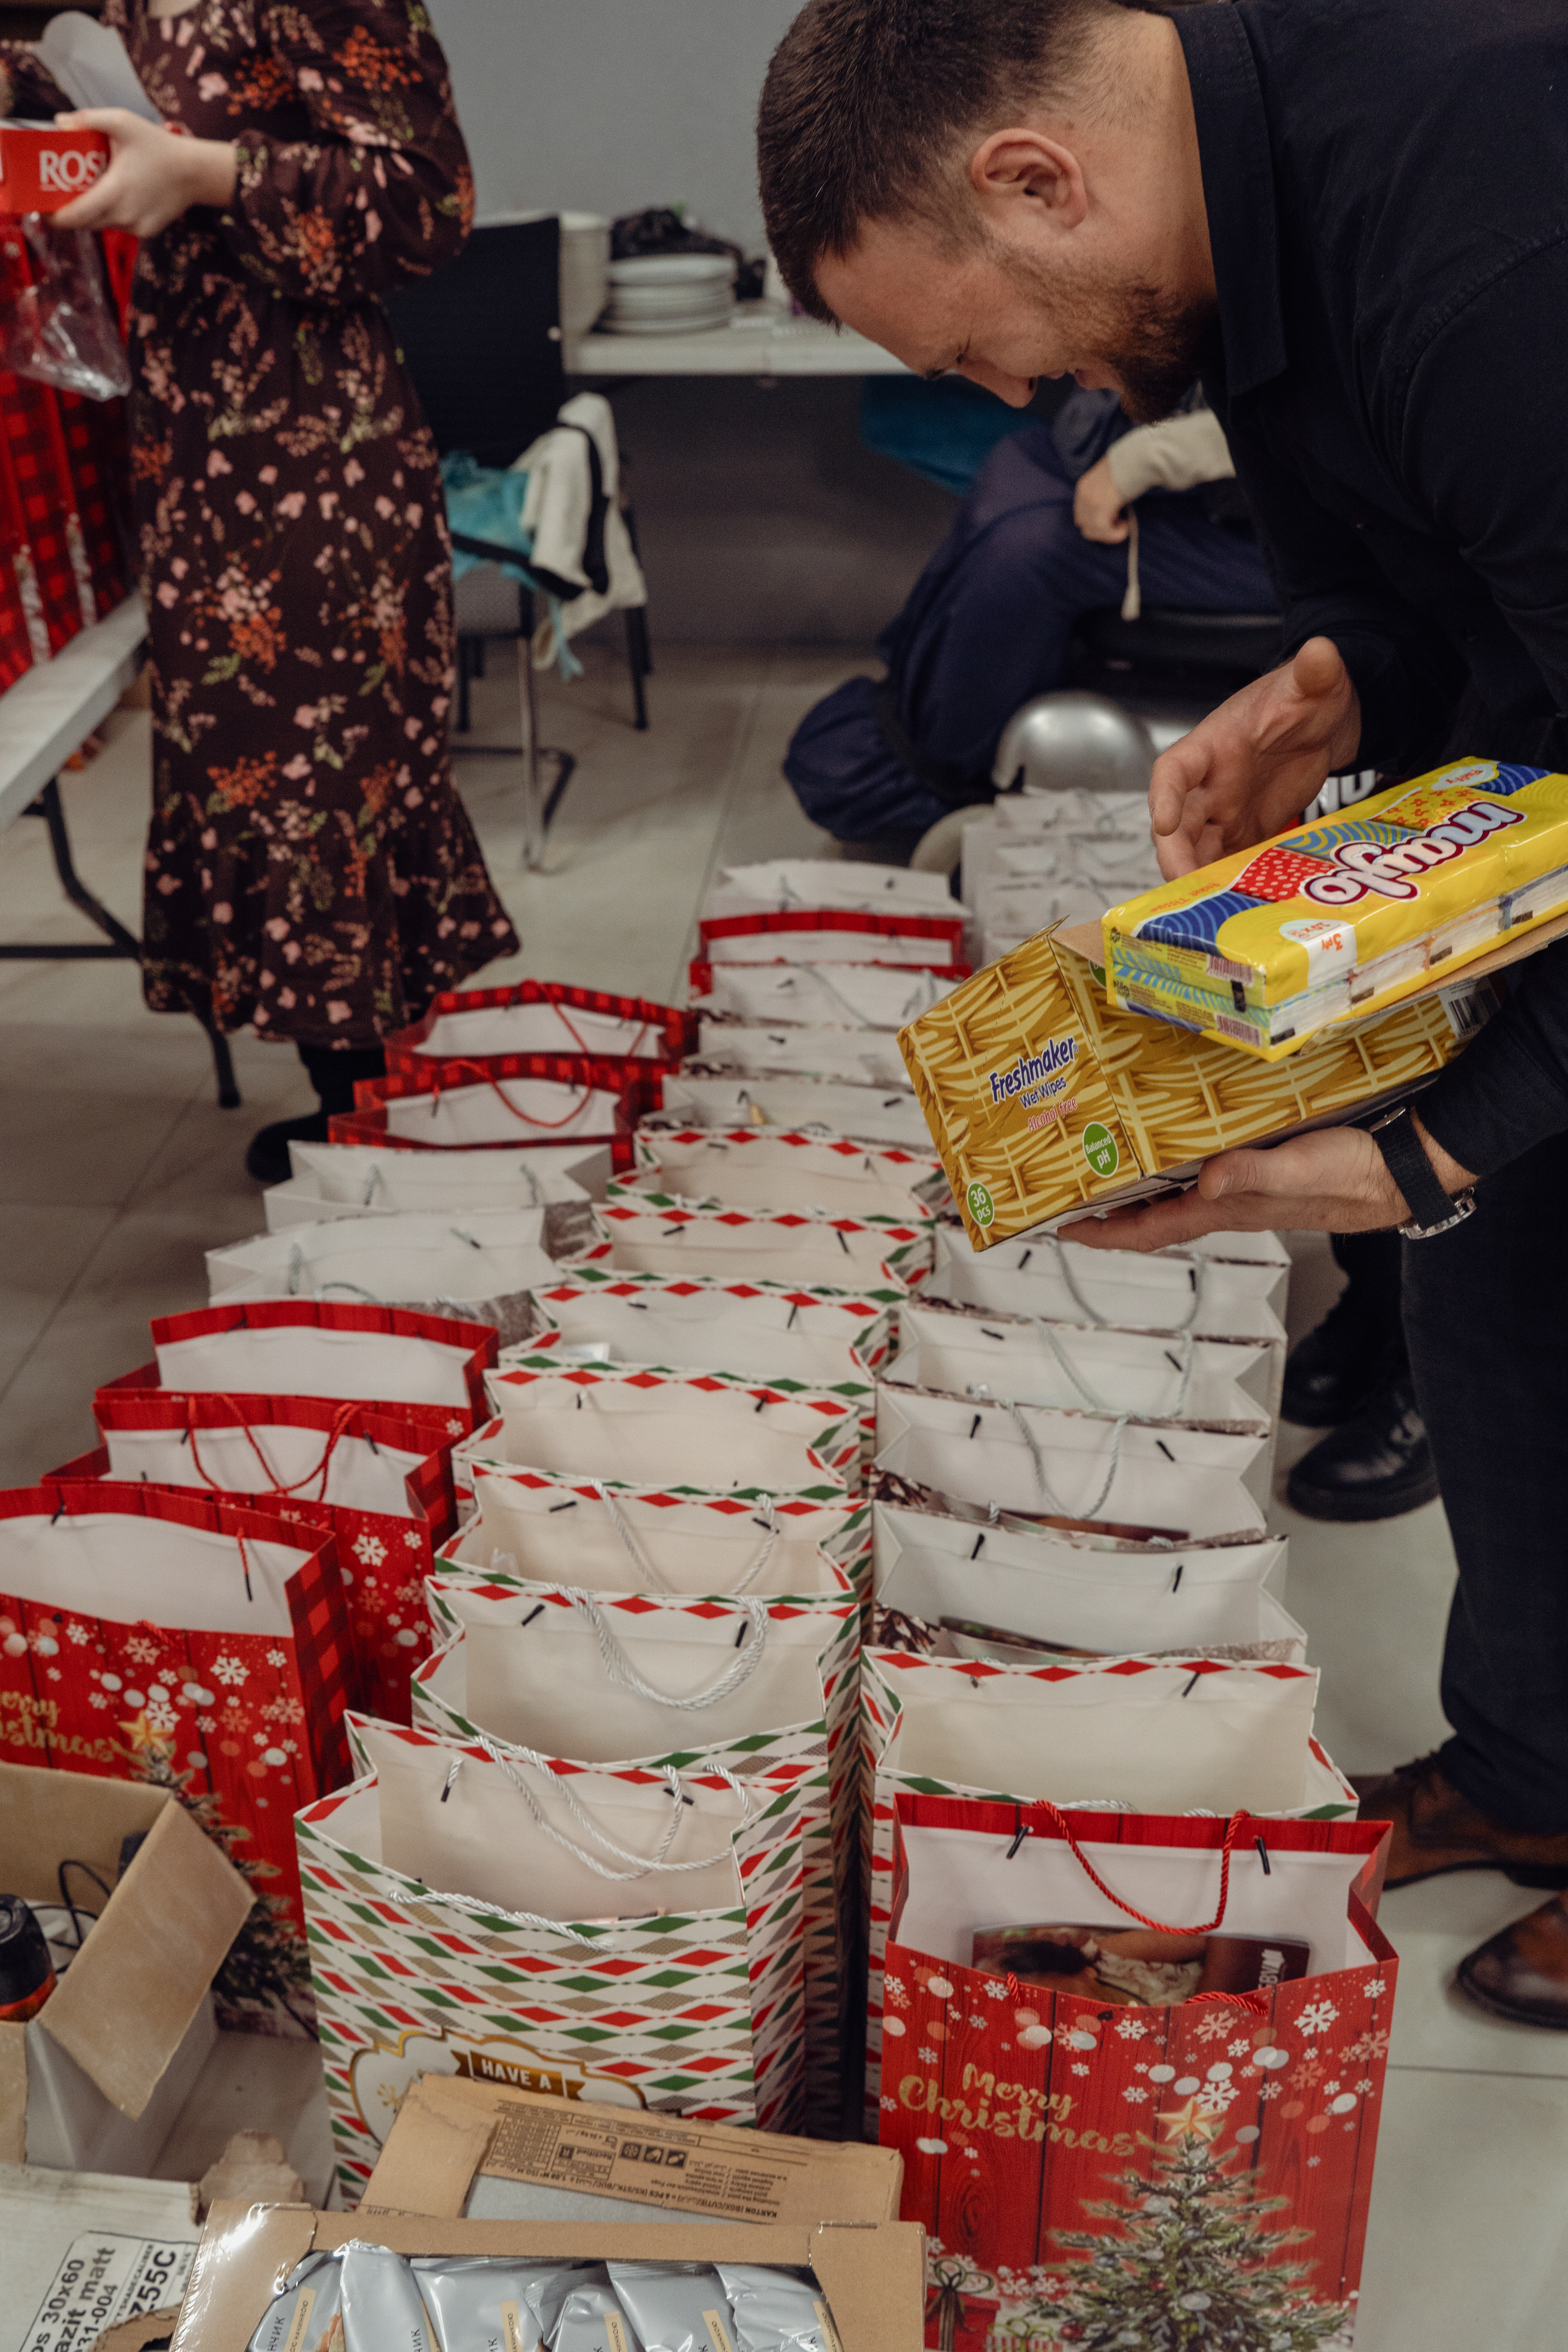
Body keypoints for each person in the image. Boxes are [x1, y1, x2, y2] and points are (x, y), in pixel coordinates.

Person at [757, 0, 1568, 2025]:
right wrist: (1329, 683)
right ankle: (1534, 1764)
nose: (1012, 394)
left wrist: (1416, 1154)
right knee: (1504, 1287)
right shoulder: (1226, 235)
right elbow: (1418, 568)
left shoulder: (1480, 253)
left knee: (1481, 1185)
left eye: (974, 352)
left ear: (1036, 179)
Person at [0, 0, 519, 1183]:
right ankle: (360, 1122)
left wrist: (207, 174)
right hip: (191, 451)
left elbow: (431, 203)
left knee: (328, 792)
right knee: (264, 790)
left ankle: (373, 1138)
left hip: (315, 453)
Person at [785, 393, 1275, 858]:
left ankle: (944, 775)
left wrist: (1141, 460)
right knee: (1020, 461)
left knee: (1029, 549)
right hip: (1244, 479)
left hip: (1287, 536)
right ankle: (921, 720)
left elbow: (1309, 408)